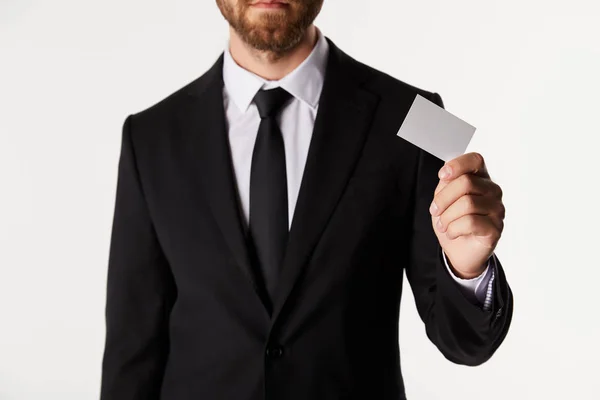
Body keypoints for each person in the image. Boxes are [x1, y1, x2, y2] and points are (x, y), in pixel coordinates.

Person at [100, 0, 513, 399]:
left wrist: (470, 268)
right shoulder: (147, 136)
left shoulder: (423, 115)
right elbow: (132, 348)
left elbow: (466, 345)